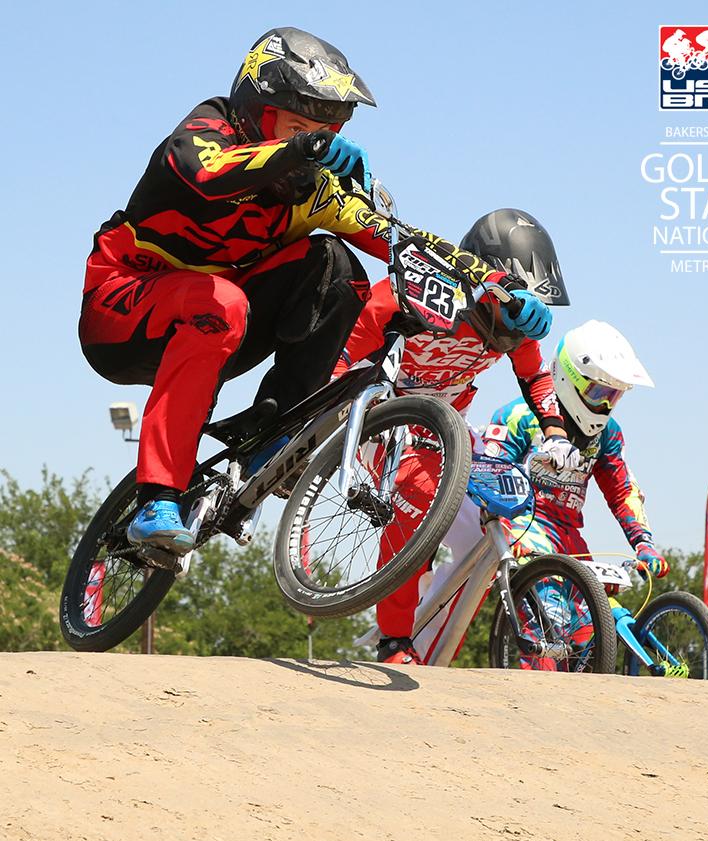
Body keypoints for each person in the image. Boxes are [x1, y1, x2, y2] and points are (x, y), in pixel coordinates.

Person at [78, 28, 548, 554]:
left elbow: (405, 241)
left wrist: (498, 288)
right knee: (220, 302)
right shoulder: (209, 129)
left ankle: (274, 436)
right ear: (256, 111)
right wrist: (301, 148)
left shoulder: (317, 192)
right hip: (120, 308)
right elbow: (205, 172)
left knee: (339, 266)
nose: (314, 143)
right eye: (299, 127)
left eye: (326, 131)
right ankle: (156, 496)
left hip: (222, 322)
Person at [333, 209, 576, 664]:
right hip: (385, 416)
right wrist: (339, 389)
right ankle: (394, 640)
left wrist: (556, 434)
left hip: (448, 426)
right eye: (512, 311)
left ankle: (428, 648)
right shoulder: (429, 292)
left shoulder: (517, 326)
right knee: (419, 499)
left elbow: (536, 378)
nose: (514, 333)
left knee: (498, 526)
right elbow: (365, 323)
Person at [482, 321, 669, 668]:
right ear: (568, 379)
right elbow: (490, 470)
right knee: (551, 621)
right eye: (599, 393)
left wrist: (643, 542)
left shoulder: (608, 434)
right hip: (526, 526)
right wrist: (504, 529)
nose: (605, 405)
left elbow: (622, 490)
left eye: (614, 396)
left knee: (591, 637)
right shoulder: (520, 416)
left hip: (570, 538)